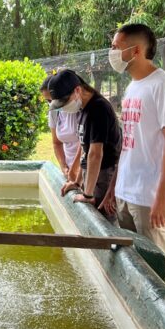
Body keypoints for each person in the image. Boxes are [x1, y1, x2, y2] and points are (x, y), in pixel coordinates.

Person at [103, 23, 165, 286]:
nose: (112, 52)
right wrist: (115, 187)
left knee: (156, 264)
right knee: (133, 261)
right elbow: (129, 143)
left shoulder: (163, 85)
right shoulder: (133, 88)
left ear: (135, 50)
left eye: (116, 47)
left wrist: (161, 196)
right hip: (127, 192)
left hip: (148, 197)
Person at [49, 70, 121, 220]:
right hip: (93, 174)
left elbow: (95, 154)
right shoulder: (83, 108)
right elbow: (85, 149)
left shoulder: (98, 108)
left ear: (77, 90)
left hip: (103, 174)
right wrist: (77, 182)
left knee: (102, 223)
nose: (63, 108)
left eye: (64, 102)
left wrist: (87, 195)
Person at [40, 75, 80, 178]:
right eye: (48, 101)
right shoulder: (54, 112)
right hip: (70, 170)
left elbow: (85, 145)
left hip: (84, 169)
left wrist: (75, 170)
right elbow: (56, 142)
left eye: (52, 99)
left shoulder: (78, 108)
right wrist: (63, 166)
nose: (52, 104)